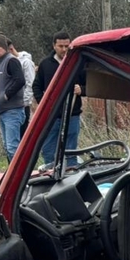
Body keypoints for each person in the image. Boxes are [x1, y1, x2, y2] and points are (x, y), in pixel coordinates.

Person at [32, 31, 84, 167]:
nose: (64, 49)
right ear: (54, 46)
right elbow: (36, 86)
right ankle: (50, 175)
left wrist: (82, 90)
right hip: (51, 115)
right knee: (49, 149)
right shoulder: (45, 64)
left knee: (71, 150)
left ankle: (71, 175)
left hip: (73, 114)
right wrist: (43, 103)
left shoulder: (77, 63)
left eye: (67, 46)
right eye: (61, 46)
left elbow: (89, 83)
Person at [0, 32, 25, 163]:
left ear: (5, 47)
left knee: (12, 148)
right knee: (7, 147)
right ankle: (12, 177)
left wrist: (5, 96)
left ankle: (19, 178)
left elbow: (20, 80)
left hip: (13, 111)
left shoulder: (11, 61)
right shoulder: (1, 62)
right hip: (3, 111)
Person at [8, 40, 35, 136]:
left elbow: (30, 83)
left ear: (10, 49)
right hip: (11, 106)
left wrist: (24, 102)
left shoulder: (26, 63)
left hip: (22, 105)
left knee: (22, 135)